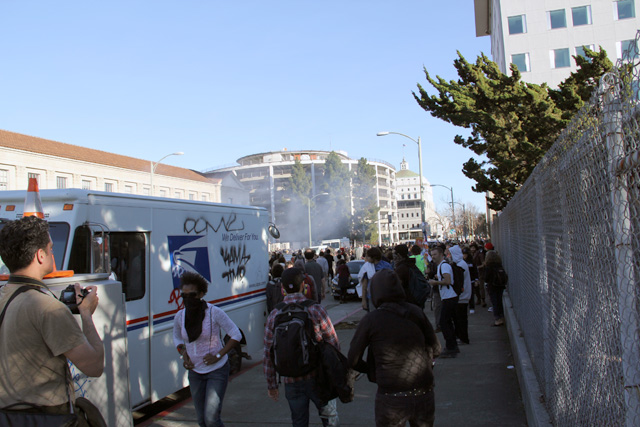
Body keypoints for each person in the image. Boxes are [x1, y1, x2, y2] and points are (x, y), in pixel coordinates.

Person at [0, 216, 104, 412]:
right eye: (51, 248)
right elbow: (94, 366)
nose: (52, 253)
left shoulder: (4, 295)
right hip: (47, 416)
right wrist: (86, 314)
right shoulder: (47, 308)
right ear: (40, 255)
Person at [348, 269, 441, 426]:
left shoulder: (371, 320)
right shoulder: (416, 312)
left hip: (390, 394)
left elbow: (353, 358)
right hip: (422, 390)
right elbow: (437, 348)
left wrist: (372, 369)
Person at [263, 268, 340, 427]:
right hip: (318, 377)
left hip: (291, 379)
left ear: (282, 288)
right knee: (329, 419)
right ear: (304, 286)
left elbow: (268, 353)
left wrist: (272, 385)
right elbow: (333, 343)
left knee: (299, 421)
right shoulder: (315, 309)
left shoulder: (275, 314)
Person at [173, 271, 242, 427]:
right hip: (195, 372)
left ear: (202, 293)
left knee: (211, 419)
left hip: (217, 370)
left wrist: (218, 355)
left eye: (192, 295)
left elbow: (235, 334)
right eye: (184, 296)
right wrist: (184, 354)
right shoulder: (180, 316)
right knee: (202, 420)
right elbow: (177, 338)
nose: (188, 299)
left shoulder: (214, 313)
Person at [428, 245, 459, 358]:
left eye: (435, 254)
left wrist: (435, 282)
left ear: (441, 254)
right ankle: (453, 345)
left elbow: (448, 280)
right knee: (447, 322)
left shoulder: (444, 266)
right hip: (447, 296)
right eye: (432, 255)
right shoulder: (441, 266)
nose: (433, 257)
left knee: (444, 322)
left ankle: (451, 347)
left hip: (449, 297)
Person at [448, 245, 472, 345]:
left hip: (462, 296)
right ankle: (462, 336)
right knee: (460, 318)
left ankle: (463, 337)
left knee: (461, 319)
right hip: (462, 295)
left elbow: (457, 280)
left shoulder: (460, 265)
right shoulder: (461, 263)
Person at [484, 250, 506, 326]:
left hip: (492, 286)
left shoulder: (488, 267)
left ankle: (497, 319)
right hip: (500, 286)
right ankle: (502, 317)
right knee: (499, 302)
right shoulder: (499, 265)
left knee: (494, 302)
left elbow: (486, 278)